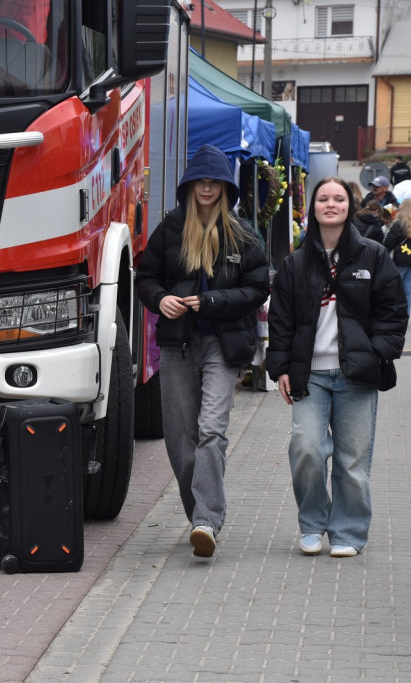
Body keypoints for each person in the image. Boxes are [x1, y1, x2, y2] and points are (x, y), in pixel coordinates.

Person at [136, 144, 270, 558]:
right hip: (178, 345)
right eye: (201, 181)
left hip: (223, 345)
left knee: (212, 430)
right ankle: (201, 514)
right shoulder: (170, 228)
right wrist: (160, 300)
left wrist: (213, 302)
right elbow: (145, 277)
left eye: (215, 181)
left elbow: (259, 287)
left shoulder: (243, 233)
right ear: (190, 186)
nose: (207, 187)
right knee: (180, 439)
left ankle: (207, 520)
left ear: (225, 187)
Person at [266, 177, 407, 558]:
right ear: (312, 207)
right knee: (307, 449)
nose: (331, 204)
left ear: (350, 205)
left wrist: (376, 354)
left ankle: (347, 532)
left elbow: (393, 312)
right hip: (309, 375)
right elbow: (280, 321)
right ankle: (312, 525)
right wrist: (279, 367)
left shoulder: (373, 255)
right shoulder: (294, 263)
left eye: (339, 198)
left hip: (356, 375)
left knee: (353, 460)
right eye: (323, 198)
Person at [382, 199, 411, 315]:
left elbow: (388, 244)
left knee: (395, 290)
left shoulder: (398, 224)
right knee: (407, 291)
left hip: (399, 261)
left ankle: (395, 314)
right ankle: (405, 315)